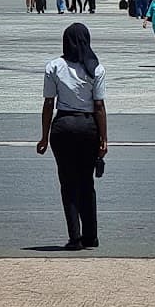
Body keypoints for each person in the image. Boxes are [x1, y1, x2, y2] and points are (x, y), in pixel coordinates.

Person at [37, 22, 107, 250]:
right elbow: (99, 106)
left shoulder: (54, 66)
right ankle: (91, 236)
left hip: (63, 126)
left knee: (68, 183)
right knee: (87, 182)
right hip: (88, 127)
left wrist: (44, 136)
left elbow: (49, 103)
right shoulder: (95, 68)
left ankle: (74, 237)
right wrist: (103, 139)